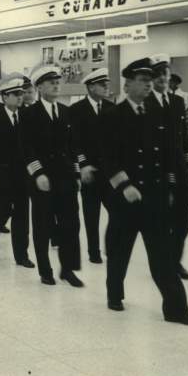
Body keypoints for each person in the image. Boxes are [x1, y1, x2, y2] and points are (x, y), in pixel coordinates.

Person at [100, 58, 188, 325]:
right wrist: (124, 185)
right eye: (142, 81)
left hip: (153, 197)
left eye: (149, 81)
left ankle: (177, 309)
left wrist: (167, 187)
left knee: (163, 255)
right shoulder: (113, 115)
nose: (147, 86)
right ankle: (114, 294)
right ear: (128, 83)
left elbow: (167, 154)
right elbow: (107, 158)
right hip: (126, 198)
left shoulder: (156, 114)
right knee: (120, 251)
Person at [20, 64, 81, 287]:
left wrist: (76, 174)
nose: (56, 85)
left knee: (70, 224)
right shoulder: (28, 114)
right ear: (39, 87)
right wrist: (38, 173)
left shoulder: (66, 111)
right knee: (43, 225)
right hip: (42, 179)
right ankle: (45, 270)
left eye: (57, 81)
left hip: (65, 178)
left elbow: (73, 146)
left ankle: (68, 269)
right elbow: (26, 148)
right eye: (50, 82)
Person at [146, 54, 188, 279]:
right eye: (158, 75)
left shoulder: (177, 102)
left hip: (179, 169)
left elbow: (182, 137)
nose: (162, 78)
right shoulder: (145, 103)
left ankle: (174, 259)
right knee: (162, 218)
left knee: (185, 217)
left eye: (165, 74)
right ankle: (165, 263)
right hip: (157, 171)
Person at [0, 75, 27, 259]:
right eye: (16, 94)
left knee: (22, 216)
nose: (20, 97)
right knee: (2, 211)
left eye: (21, 94)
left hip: (23, 174)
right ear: (5, 97)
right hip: (3, 173)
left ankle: (21, 255)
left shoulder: (25, 116)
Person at [69, 68, 111, 264]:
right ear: (91, 87)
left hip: (111, 172)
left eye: (106, 84)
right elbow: (74, 142)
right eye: (103, 84)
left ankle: (112, 245)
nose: (106, 87)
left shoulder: (112, 108)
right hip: (89, 172)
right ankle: (93, 251)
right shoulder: (76, 110)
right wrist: (82, 165)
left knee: (117, 213)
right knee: (91, 214)